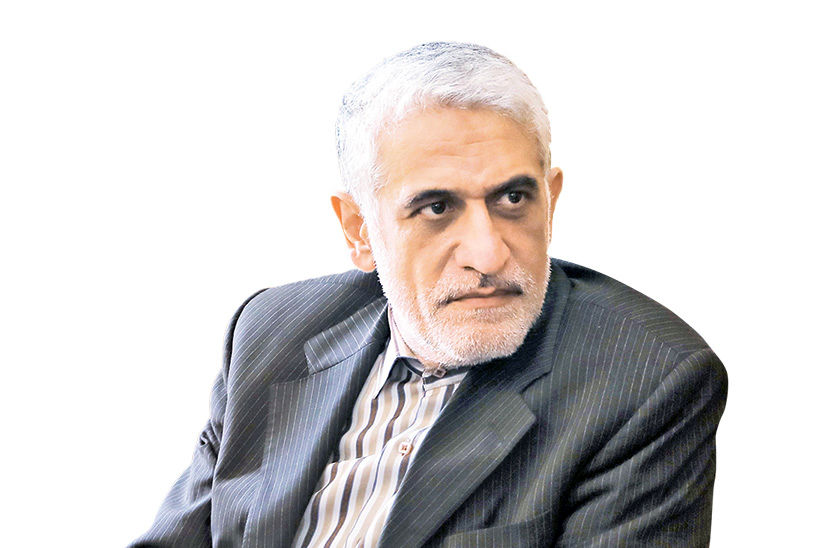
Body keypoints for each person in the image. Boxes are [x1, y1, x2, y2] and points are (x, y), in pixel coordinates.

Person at [130, 42, 727, 547]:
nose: (488, 255)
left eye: (513, 199)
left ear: (551, 202)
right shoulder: (272, 330)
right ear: (358, 231)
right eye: (437, 208)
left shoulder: (647, 380)